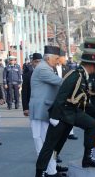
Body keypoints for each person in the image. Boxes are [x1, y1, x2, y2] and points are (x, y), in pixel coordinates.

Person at [35, 48, 95, 177]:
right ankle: (40, 173)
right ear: (92, 66)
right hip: (60, 114)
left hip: (71, 113)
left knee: (91, 124)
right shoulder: (75, 75)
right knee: (49, 145)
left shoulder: (82, 75)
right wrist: (54, 116)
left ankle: (87, 158)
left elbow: (84, 101)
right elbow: (62, 94)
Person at [29, 46, 63, 177]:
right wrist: (74, 81)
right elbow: (60, 82)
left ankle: (51, 170)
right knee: (41, 142)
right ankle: (45, 171)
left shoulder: (48, 67)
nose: (58, 61)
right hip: (40, 111)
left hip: (45, 110)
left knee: (48, 143)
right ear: (48, 58)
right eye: (56, 59)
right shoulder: (43, 68)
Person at [54, 50, 77, 141]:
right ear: (59, 58)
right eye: (64, 57)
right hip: (55, 93)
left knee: (69, 112)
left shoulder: (67, 68)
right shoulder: (52, 68)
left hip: (65, 94)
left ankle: (70, 132)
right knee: (56, 113)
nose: (66, 59)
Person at [21, 53, 42, 117]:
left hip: (45, 106)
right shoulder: (27, 75)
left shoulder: (48, 74)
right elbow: (24, 92)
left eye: (40, 62)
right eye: (36, 62)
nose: (38, 64)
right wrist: (25, 108)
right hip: (33, 106)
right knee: (36, 126)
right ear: (32, 62)